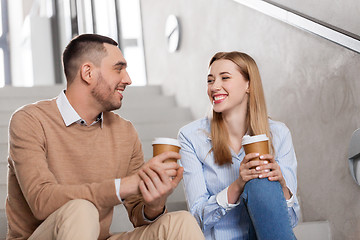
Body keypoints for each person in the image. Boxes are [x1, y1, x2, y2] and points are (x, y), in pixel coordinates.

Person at [6, 34, 204, 240]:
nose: (128, 79)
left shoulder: (124, 131)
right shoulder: (29, 120)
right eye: (119, 68)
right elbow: (41, 201)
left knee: (181, 222)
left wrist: (154, 203)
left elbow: (139, 215)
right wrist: (123, 186)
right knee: (82, 210)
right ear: (88, 72)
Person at [178, 51, 300, 239]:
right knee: (258, 180)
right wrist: (238, 185)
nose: (215, 87)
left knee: (263, 181)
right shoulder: (191, 137)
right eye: (210, 81)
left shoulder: (278, 133)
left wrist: (282, 185)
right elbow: (196, 218)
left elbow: (290, 220)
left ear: (248, 85)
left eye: (225, 78)